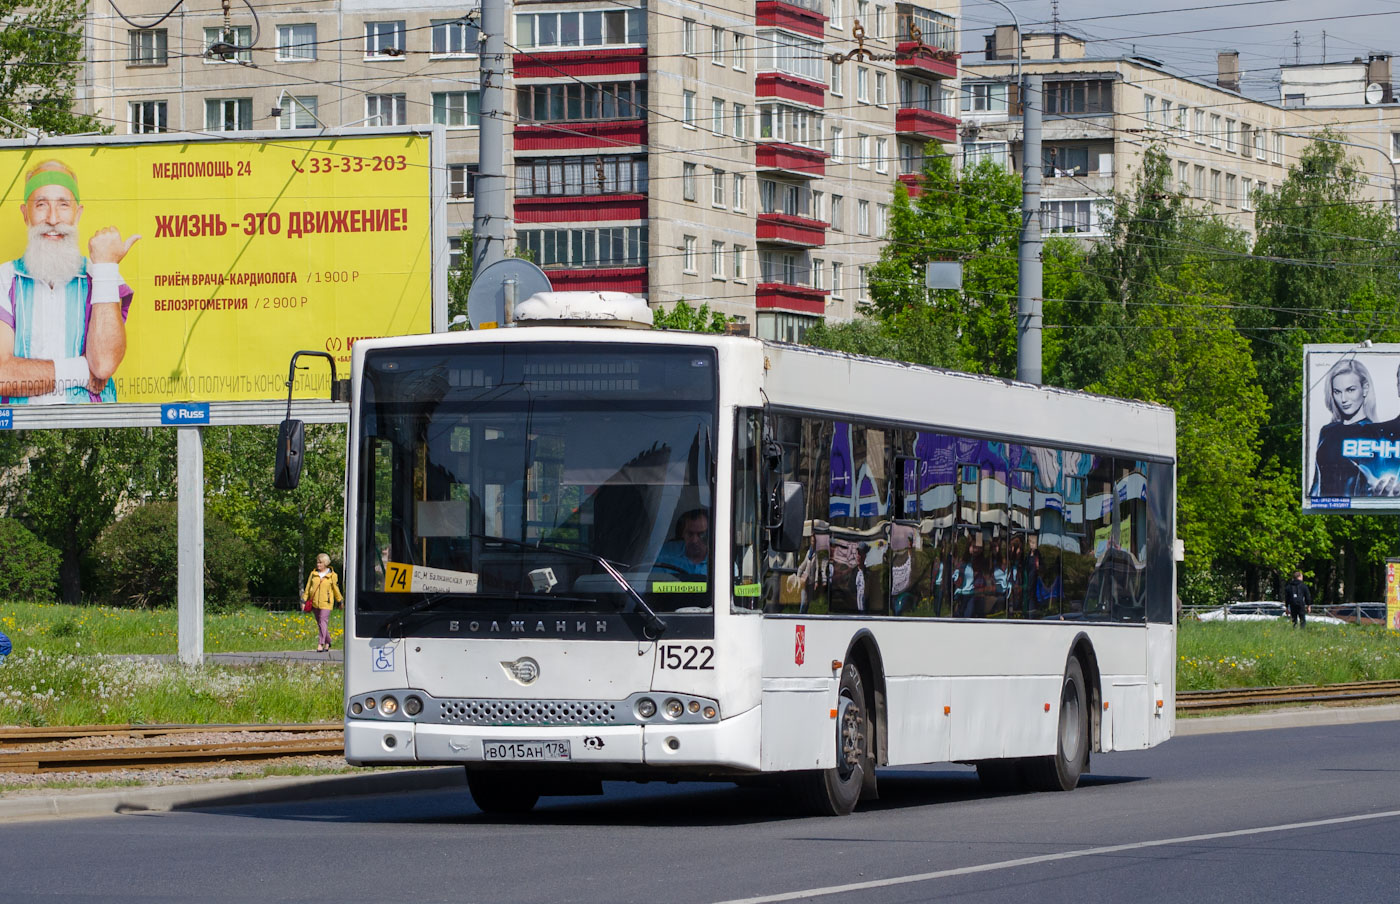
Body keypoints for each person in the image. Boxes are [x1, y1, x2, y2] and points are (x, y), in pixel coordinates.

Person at [0, 160, 138, 404]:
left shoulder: (102, 275)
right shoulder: (4, 279)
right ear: (25, 214)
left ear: (78, 213)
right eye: (41, 205)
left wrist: (106, 267)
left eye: (63, 205)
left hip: (90, 433)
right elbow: (2, 376)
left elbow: (104, 364)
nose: (53, 219)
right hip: (22, 437)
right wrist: (83, 370)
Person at [1309, 359, 1376, 498]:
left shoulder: (1376, 432)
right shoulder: (1327, 431)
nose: (1343, 399)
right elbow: (1317, 482)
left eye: (1350, 390)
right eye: (1337, 392)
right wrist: (1310, 502)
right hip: (1323, 510)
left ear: (1365, 389)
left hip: (1360, 512)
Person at [302, 553, 344, 652]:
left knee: (323, 621)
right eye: (317, 562)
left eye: (320, 562)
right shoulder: (313, 574)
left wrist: (340, 601)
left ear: (325, 563)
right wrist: (304, 600)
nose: (318, 564)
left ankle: (320, 643)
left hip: (326, 603)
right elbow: (308, 588)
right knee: (320, 624)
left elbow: (335, 589)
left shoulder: (332, 575)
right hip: (315, 602)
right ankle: (328, 641)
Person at [655, 508, 710, 577]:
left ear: (709, 535)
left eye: (701, 534)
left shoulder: (720, 559)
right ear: (682, 533)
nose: (694, 540)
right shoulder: (664, 553)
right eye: (690, 534)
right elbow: (650, 584)